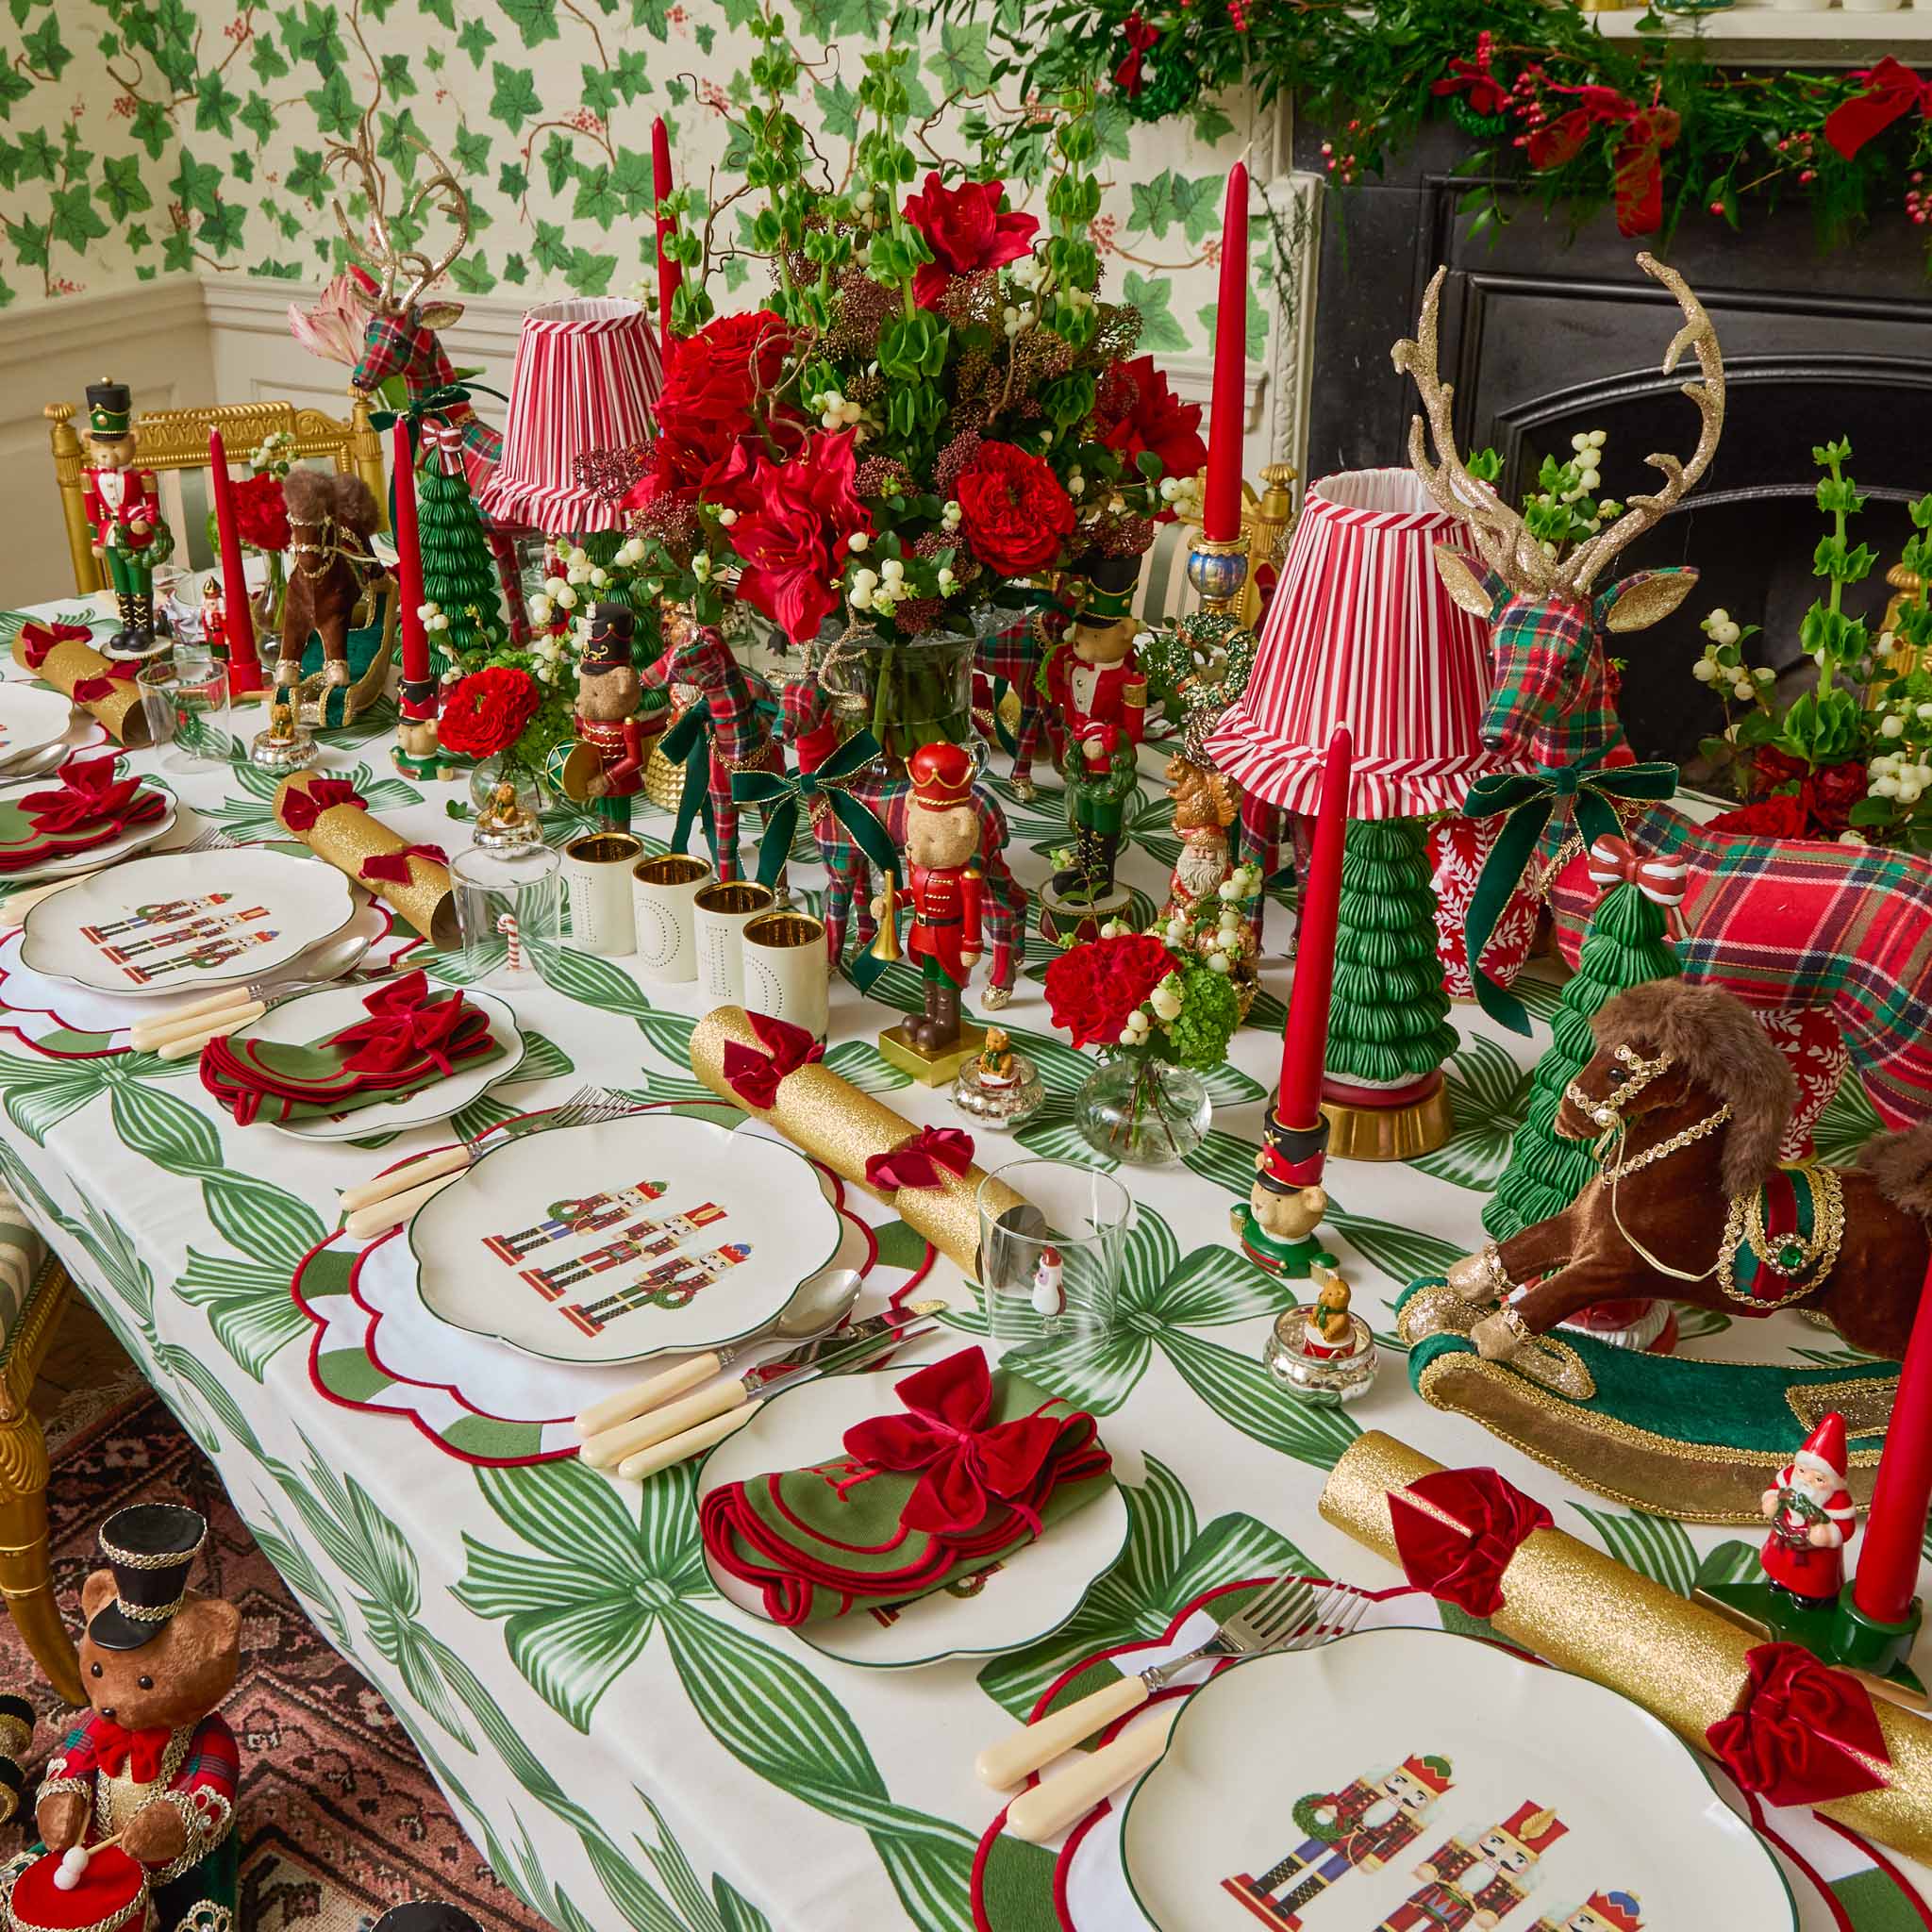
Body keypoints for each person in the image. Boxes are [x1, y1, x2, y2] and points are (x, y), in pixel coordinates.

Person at [81, 380, 172, 658]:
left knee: (138, 579)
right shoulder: (90, 478)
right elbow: (91, 511)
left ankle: (145, 627)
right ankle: (128, 625)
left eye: (117, 447)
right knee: (118, 581)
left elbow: (153, 508)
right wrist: (96, 539)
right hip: (110, 533)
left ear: (133, 441)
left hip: (135, 534)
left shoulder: (142, 477)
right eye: (100, 449)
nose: (107, 455)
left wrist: (145, 521)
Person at [1758, 1412, 1857, 1607]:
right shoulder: (1788, 1477)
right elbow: (1772, 1492)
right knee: (1778, 1561)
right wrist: (1771, 1501)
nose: (1805, 1480)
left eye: (1818, 1479)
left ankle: (1812, 1594)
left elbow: (1846, 1528)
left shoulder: (1836, 1499)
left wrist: (1827, 1534)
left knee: (1812, 1575)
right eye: (1802, 1471)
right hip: (1782, 1539)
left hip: (1815, 1554)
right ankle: (1780, 1579)